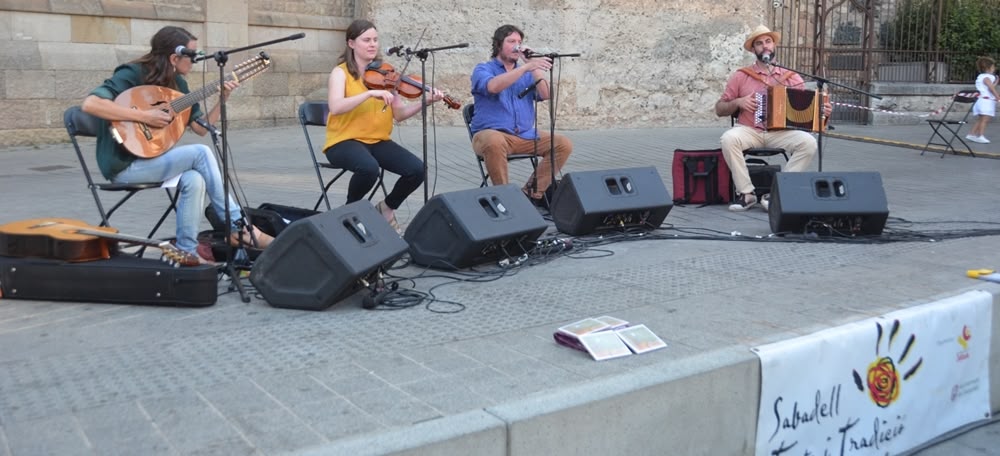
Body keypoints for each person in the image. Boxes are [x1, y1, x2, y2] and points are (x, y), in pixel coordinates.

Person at [81, 26, 272, 263]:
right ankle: (239, 228)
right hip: (123, 166)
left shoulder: (179, 86)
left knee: (195, 179)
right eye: (192, 56)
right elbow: (90, 104)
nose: (195, 61)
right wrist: (145, 117)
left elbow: (202, 129)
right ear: (174, 57)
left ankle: (186, 252)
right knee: (200, 154)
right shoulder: (132, 74)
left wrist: (223, 98)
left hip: (152, 161)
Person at [323, 19, 443, 232]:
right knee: (369, 169)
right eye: (366, 40)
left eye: (375, 40)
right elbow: (336, 106)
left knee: (416, 170)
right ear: (351, 43)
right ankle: (350, 212)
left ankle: (386, 208)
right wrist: (369, 93)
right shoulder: (340, 73)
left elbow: (399, 114)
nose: (372, 44)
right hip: (343, 141)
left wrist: (424, 102)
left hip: (377, 141)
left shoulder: (386, 74)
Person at [715, 25, 832, 212]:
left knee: (809, 143)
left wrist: (823, 111)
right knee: (728, 139)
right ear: (753, 49)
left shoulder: (792, 77)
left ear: (774, 45)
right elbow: (719, 109)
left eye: (768, 41)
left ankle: (778, 192)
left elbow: (806, 111)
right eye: (759, 43)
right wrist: (738, 102)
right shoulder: (741, 76)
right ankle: (747, 193)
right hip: (750, 130)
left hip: (781, 132)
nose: (765, 46)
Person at [470, 24, 573, 207]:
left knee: (562, 144)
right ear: (498, 45)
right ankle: (505, 198)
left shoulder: (526, 71)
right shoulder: (483, 69)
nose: (517, 46)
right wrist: (524, 69)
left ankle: (532, 194)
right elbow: (493, 87)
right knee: (494, 141)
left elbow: (546, 94)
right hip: (490, 135)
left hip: (523, 135)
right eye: (511, 41)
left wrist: (533, 67)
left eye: (519, 42)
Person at [965, 56, 998, 144]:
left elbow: (989, 87)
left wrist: (996, 82)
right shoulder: (988, 77)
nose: (994, 68)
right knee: (985, 119)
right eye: (993, 66)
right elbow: (991, 89)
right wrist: (998, 97)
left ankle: (972, 134)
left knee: (981, 119)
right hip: (986, 101)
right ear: (989, 67)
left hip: (981, 100)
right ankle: (980, 135)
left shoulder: (981, 76)